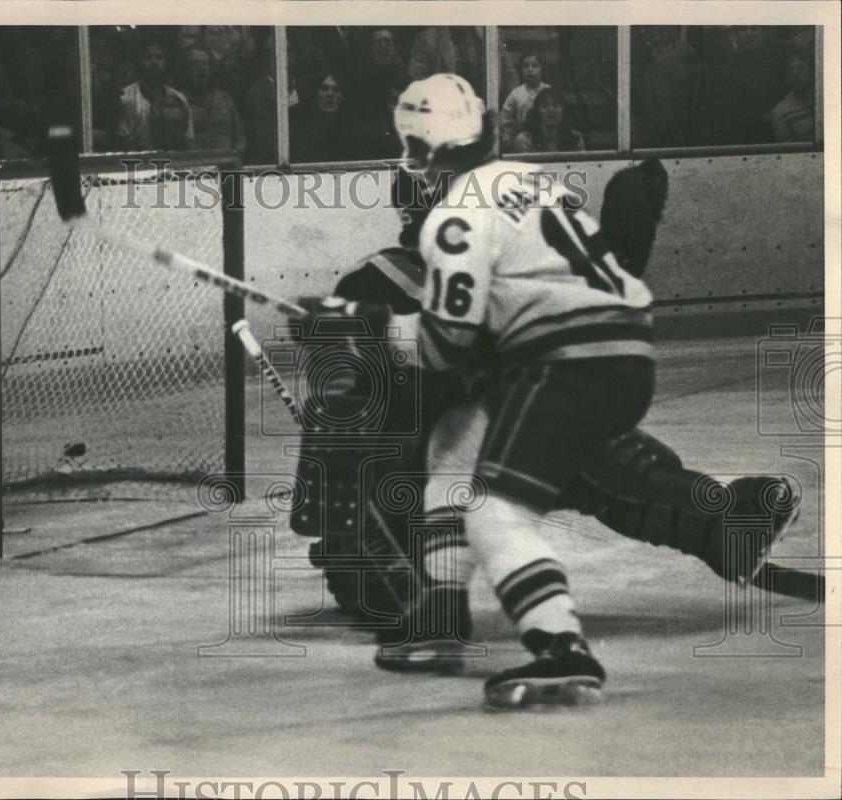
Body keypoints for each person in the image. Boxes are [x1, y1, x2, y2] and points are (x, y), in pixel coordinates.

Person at [293, 75, 797, 709]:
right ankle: (470, 616)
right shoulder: (383, 274)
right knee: (510, 460)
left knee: (586, 449)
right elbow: (346, 399)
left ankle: (714, 521)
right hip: (403, 471)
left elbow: (472, 344)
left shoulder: (476, 246)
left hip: (503, 418)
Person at [117, 39, 194, 150]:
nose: (154, 62)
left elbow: (188, 139)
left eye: (159, 57)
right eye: (148, 58)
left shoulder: (179, 98)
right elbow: (123, 140)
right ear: (139, 61)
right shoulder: (125, 97)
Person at [182, 47, 247, 156]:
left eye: (205, 64)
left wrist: (232, 158)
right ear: (184, 69)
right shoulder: (179, 101)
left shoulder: (225, 99)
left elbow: (240, 140)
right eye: (194, 64)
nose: (201, 68)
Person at [289, 72, 352, 163]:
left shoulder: (347, 133)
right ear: (315, 94)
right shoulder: (299, 131)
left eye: (336, 90)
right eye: (324, 89)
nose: (330, 94)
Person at [499, 53, 550, 152]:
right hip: (524, 139)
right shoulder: (515, 94)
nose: (530, 69)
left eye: (535, 66)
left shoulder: (547, 90)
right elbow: (505, 120)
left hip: (546, 137)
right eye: (526, 66)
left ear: (542, 70)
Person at [514, 86, 585, 153]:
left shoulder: (575, 138)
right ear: (537, 112)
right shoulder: (524, 140)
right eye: (545, 105)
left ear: (564, 111)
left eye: (556, 105)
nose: (551, 110)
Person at [771, 51, 815, 142]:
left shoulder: (826, 98)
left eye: (801, 68)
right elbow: (790, 151)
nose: (796, 73)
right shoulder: (781, 112)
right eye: (791, 70)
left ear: (811, 71)